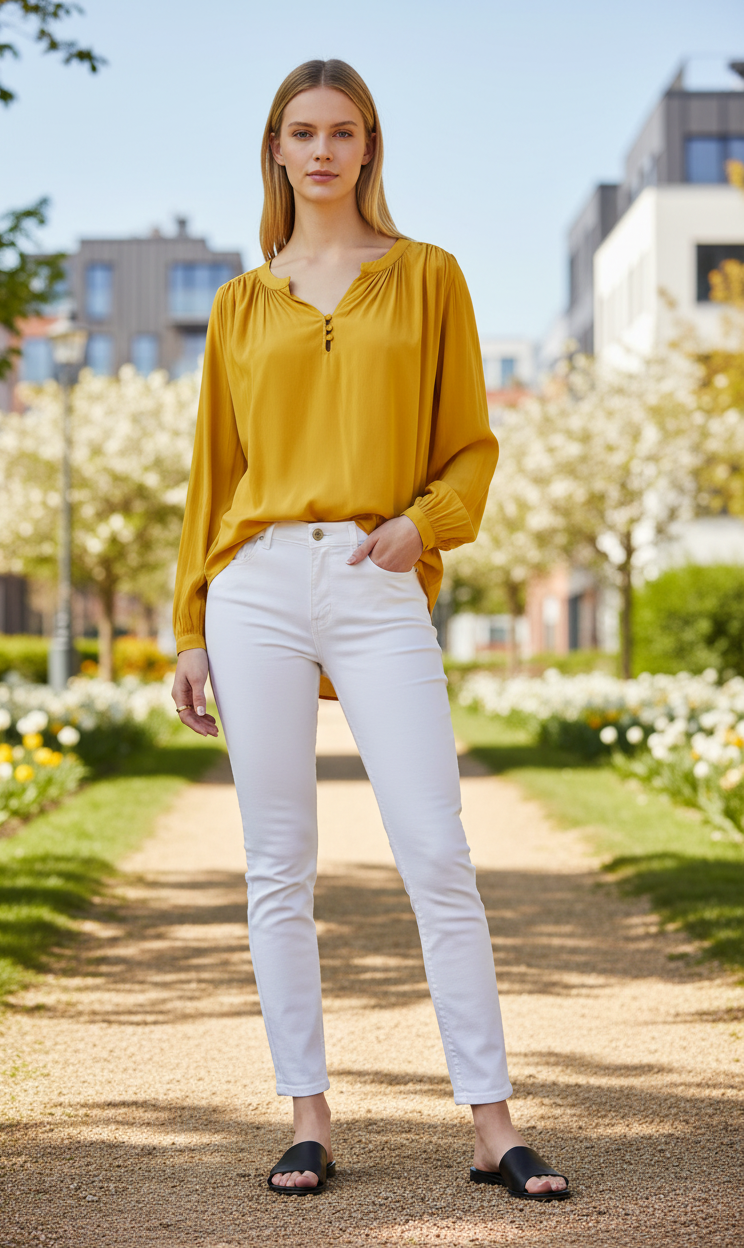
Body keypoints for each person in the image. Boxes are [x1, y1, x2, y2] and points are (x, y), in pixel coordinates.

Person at [171, 58, 570, 1203]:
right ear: (277, 150)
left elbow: (471, 444)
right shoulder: (242, 304)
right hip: (252, 583)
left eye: (344, 131)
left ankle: (493, 1125)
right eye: (303, 132)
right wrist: (190, 621)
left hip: (372, 571)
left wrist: (424, 524)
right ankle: (307, 1118)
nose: (323, 151)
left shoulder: (428, 277)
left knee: (436, 851)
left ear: (369, 146)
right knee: (276, 864)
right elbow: (214, 476)